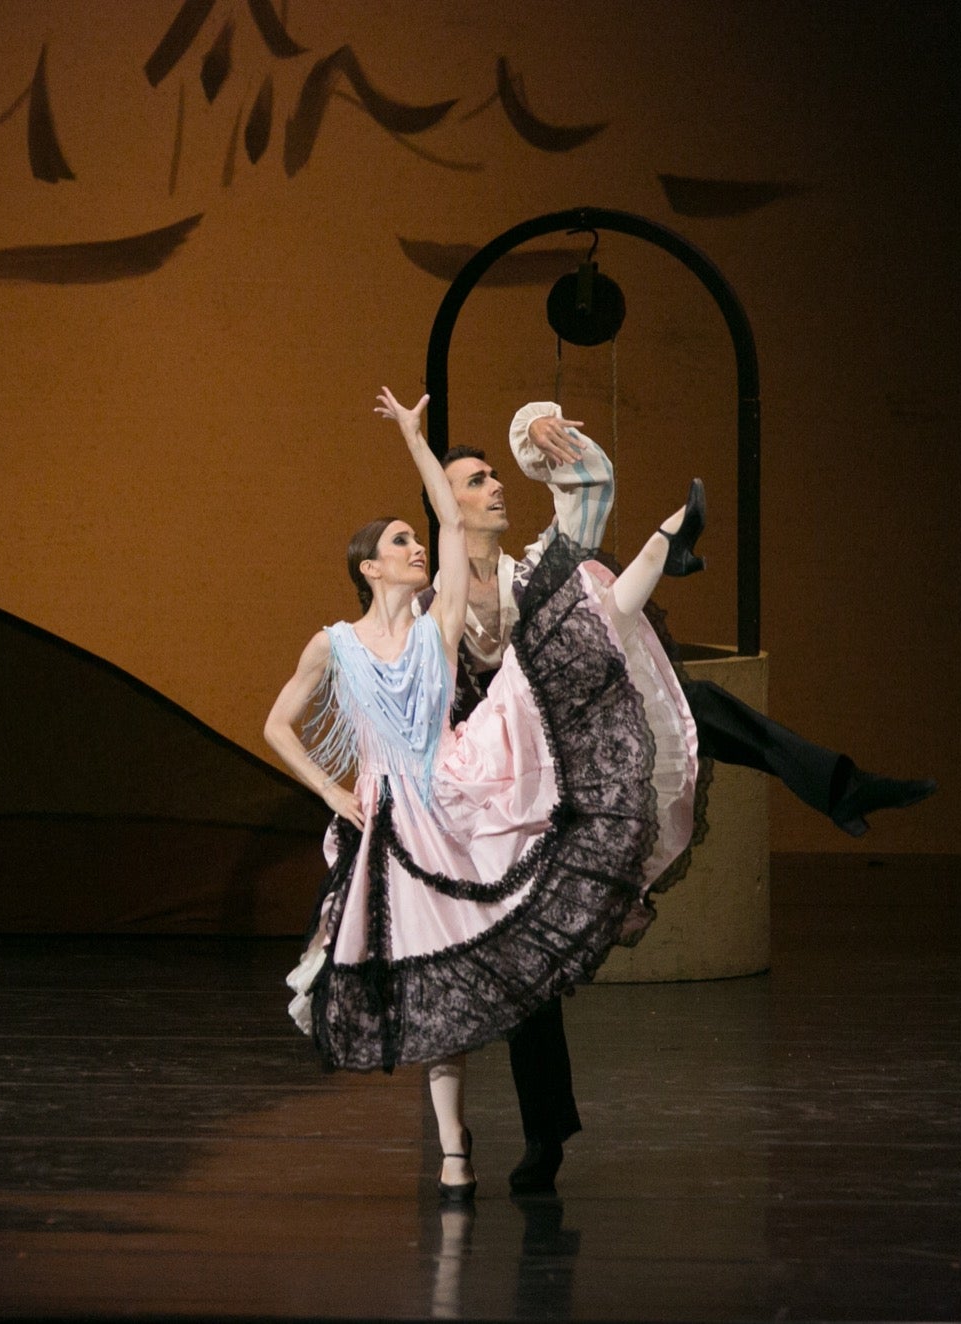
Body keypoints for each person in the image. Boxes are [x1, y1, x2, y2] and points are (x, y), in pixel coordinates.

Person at [420, 401, 938, 1195]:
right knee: (531, 968)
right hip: (505, 800)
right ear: (447, 501)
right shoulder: (439, 605)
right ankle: (546, 1136)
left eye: (495, 474)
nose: (495, 487)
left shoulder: (538, 568)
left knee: (692, 706)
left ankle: (840, 785)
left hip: (580, 753)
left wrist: (536, 431)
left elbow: (588, 489)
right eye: (477, 478)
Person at [264, 388, 709, 1202]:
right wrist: (333, 791)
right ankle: (452, 1151)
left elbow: (459, 516)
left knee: (571, 630)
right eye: (400, 542)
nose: (418, 547)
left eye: (418, 539)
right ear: (371, 567)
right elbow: (279, 725)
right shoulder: (350, 638)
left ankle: (665, 540)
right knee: (446, 984)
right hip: (404, 815)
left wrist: (413, 439)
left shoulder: (455, 607)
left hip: (469, 780)